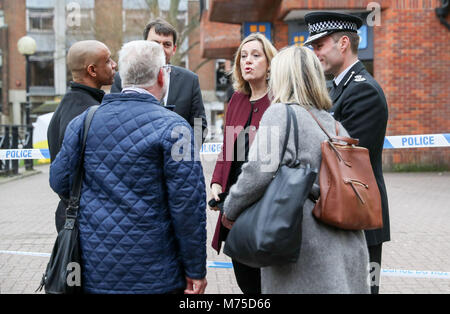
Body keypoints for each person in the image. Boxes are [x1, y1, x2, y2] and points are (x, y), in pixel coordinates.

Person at [49, 40, 207, 294]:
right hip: (157, 272)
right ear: (160, 75)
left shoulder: (83, 123)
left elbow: (58, 181)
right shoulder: (177, 129)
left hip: (93, 268)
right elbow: (188, 206)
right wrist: (195, 269)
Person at [222, 46, 370, 294]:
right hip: (347, 247)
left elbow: (258, 171)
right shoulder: (334, 126)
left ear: (281, 77)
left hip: (304, 249)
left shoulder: (280, 113)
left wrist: (231, 209)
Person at [304, 11, 390, 294]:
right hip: (343, 212)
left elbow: (343, 159)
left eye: (319, 46)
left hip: (358, 214)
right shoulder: (341, 88)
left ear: (343, 43)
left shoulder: (363, 91)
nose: (315, 54)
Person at [208, 33, 277, 294]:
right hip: (234, 211)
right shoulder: (236, 100)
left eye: (256, 55)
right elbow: (227, 149)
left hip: (266, 213)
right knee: (246, 284)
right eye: (243, 56)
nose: (248, 61)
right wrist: (216, 182)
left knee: (266, 285)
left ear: (270, 63)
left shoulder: (280, 101)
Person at [47, 40, 117, 232]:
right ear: (92, 70)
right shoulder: (88, 112)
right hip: (85, 220)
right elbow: (63, 176)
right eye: (108, 60)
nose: (114, 64)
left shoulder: (66, 105)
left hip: (75, 214)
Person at [111, 17, 207, 142]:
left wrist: (180, 154)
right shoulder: (122, 77)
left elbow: (199, 126)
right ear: (144, 44)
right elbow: (115, 121)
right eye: (155, 43)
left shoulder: (190, 80)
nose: (160, 49)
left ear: (174, 49)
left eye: (167, 44)